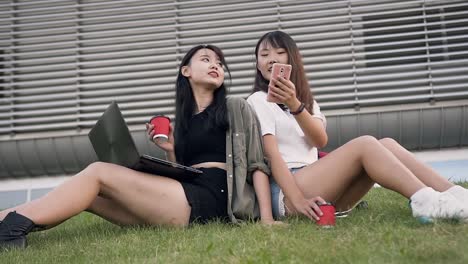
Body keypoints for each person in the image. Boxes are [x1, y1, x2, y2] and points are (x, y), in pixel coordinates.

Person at [0, 44, 278, 251]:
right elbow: (186, 170)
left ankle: (12, 227)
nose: (215, 64)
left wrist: (266, 218)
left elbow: (256, 163)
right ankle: (6, 223)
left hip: (214, 196)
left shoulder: (234, 107)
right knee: (92, 197)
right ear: (186, 71)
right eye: (206, 59)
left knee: (98, 172)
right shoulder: (183, 121)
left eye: (219, 61)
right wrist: (170, 150)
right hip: (191, 191)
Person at [246, 31, 468, 223]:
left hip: (321, 187)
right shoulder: (257, 100)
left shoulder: (307, 102)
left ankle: (456, 194)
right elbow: (272, 155)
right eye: (264, 55)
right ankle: (424, 200)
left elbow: (319, 141)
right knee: (365, 144)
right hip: (288, 193)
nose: (271, 59)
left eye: (279, 53)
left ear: (292, 58)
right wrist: (297, 199)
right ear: (257, 64)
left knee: (387, 144)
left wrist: (295, 104)